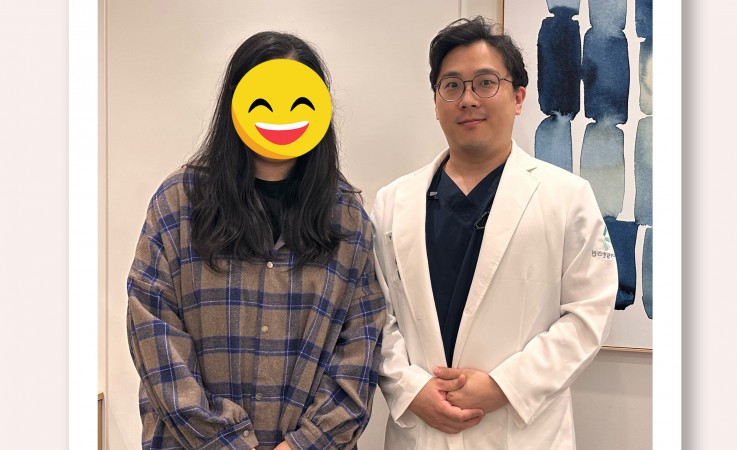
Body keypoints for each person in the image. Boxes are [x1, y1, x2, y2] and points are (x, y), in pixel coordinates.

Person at [126, 31, 385, 450]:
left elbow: (361, 348)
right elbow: (153, 334)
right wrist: (224, 440)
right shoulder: (179, 202)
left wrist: (303, 444)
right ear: (235, 104)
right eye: (265, 101)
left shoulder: (346, 216)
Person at [372, 16, 617, 449]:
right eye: (452, 86)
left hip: (520, 433)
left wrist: (504, 386)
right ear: (436, 102)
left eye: (486, 83)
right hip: (420, 432)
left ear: (518, 97)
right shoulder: (392, 202)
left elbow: (588, 316)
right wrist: (410, 388)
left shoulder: (568, 197)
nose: (468, 99)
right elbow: (375, 314)